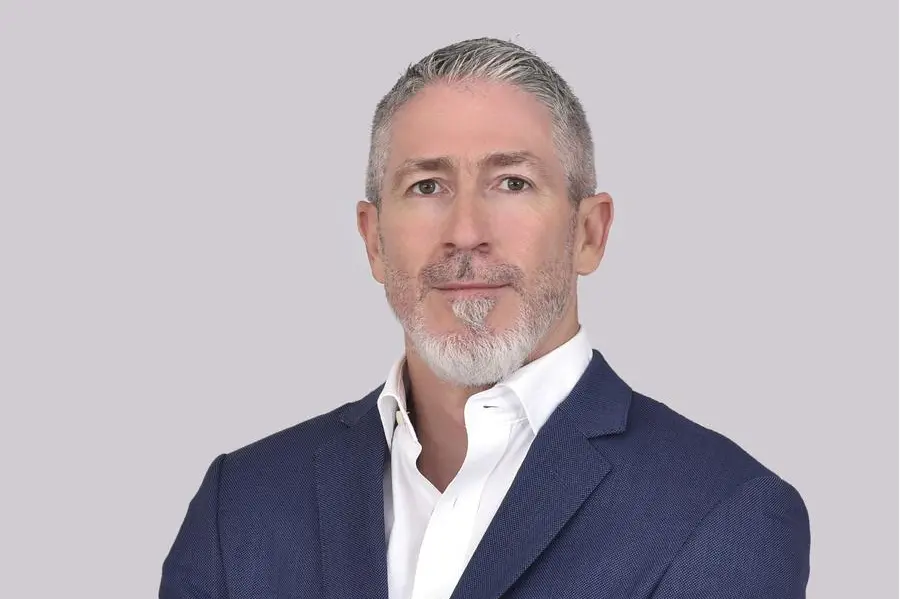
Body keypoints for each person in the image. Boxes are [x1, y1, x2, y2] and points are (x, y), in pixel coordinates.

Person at [159, 37, 810, 599]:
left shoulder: (721, 513)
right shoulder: (241, 506)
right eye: (427, 186)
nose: (466, 231)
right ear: (374, 241)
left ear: (589, 232)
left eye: (512, 183)